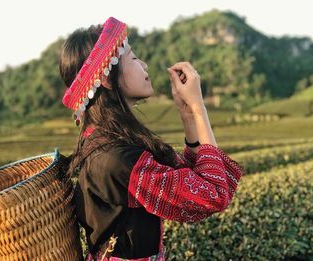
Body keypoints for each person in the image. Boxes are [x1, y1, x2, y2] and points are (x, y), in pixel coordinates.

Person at [58, 17, 244, 261]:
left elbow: (187, 174)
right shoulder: (119, 159)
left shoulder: (103, 143)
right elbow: (212, 193)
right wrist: (199, 108)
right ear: (105, 78)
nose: (143, 64)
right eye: (133, 58)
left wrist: (188, 115)